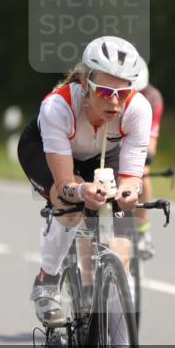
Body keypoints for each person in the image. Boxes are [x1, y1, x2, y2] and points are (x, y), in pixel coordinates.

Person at [18, 35, 152, 326]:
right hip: (46, 150)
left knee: (121, 253)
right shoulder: (57, 106)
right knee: (70, 206)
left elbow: (131, 177)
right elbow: (67, 183)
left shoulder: (138, 109)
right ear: (83, 83)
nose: (115, 102)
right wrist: (81, 190)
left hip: (102, 154)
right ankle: (47, 281)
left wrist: (128, 191)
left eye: (123, 92)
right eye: (104, 91)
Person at [133, 57, 164, 259]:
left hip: (137, 140)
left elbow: (150, 142)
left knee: (143, 172)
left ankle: (143, 230)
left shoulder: (153, 99)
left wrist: (145, 161)